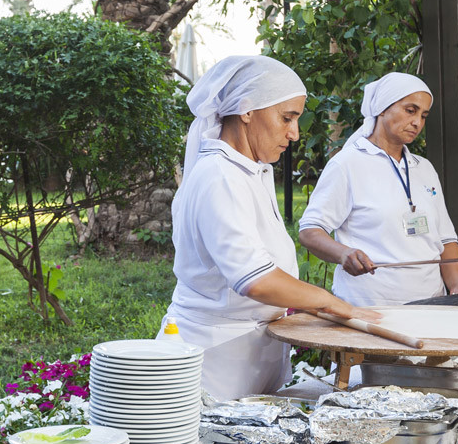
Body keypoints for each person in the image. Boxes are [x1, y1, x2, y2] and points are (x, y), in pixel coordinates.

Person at [160, 55, 377, 400]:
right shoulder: (220, 175)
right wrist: (335, 304)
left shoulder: (252, 171)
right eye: (286, 118)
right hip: (214, 364)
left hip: (250, 357)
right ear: (247, 110)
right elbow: (257, 281)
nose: (294, 134)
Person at [298, 72, 458, 305]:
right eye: (410, 110)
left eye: (424, 115)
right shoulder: (347, 164)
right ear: (382, 108)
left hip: (432, 306)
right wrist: (343, 253)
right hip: (370, 309)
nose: (417, 122)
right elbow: (309, 231)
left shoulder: (424, 168)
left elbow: (446, 239)